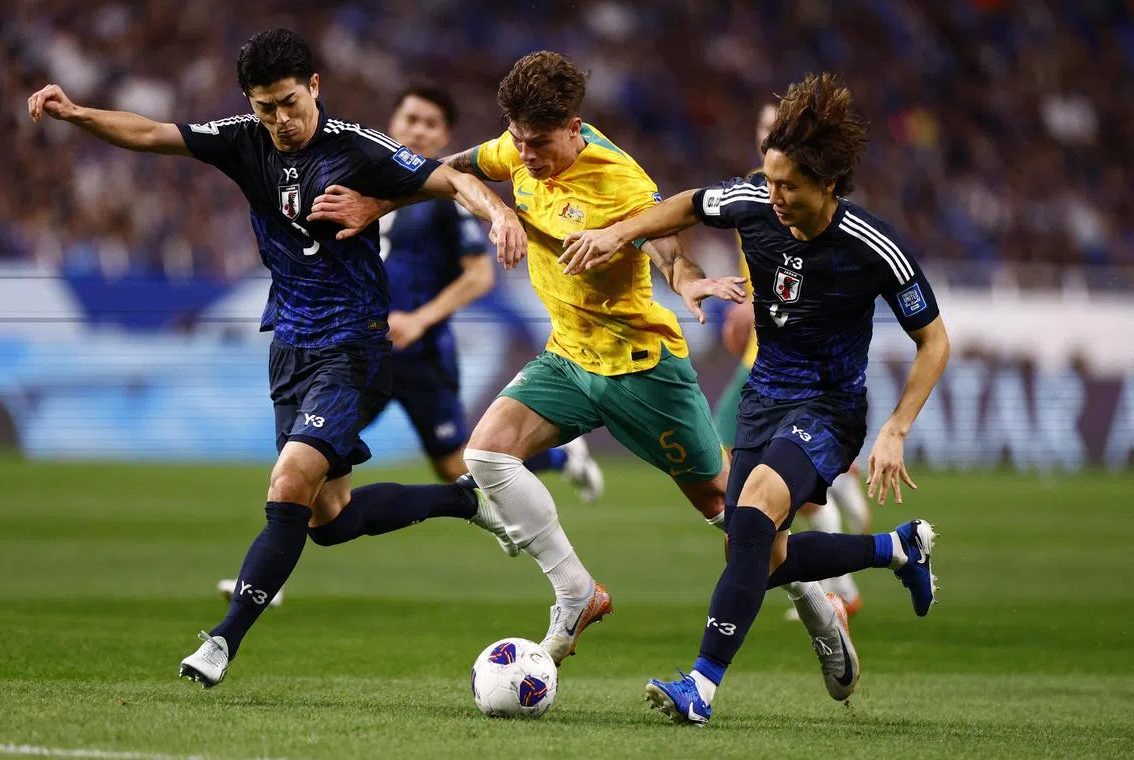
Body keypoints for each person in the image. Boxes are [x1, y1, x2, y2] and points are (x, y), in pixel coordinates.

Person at [312, 52, 864, 705]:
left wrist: (686, 279)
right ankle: (576, 593)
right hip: (569, 356)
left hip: (641, 368)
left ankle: (821, 611)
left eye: (540, 143)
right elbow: (453, 170)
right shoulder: (516, 146)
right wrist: (387, 201)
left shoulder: (618, 180)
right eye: (518, 139)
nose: (527, 155)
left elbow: (664, 233)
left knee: (738, 519)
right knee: (486, 451)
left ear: (574, 127)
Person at [28, 28, 529, 689]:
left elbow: (446, 177)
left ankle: (220, 641)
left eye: (290, 103)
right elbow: (154, 135)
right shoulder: (244, 139)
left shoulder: (356, 148)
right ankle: (464, 503)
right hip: (289, 346)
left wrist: (497, 214)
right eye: (266, 107)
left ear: (314, 86)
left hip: (352, 345)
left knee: (288, 482)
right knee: (330, 520)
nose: (281, 120)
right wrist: (78, 114)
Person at [562, 72, 950, 725]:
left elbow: (933, 341)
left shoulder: (873, 247)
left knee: (748, 522)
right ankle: (898, 549)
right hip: (763, 399)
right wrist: (619, 235)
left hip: (827, 409)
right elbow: (687, 203)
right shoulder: (751, 200)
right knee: (758, 559)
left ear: (829, 186)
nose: (772, 196)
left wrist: (897, 429)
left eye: (788, 186)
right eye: (768, 180)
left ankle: (700, 688)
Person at [315, 84, 603, 495]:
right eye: (411, 119)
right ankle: (310, 520)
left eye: (430, 124)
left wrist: (419, 319)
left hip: (422, 356)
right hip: (362, 350)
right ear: (392, 123)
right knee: (318, 446)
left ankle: (561, 456)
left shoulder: (446, 197)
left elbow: (480, 275)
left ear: (444, 138)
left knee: (457, 467)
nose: (418, 131)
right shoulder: (360, 187)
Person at [714, 101, 869, 619]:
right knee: (756, 480)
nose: (766, 139)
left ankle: (839, 586)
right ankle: (838, 488)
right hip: (760, 360)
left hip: (786, 370)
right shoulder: (755, 197)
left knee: (764, 485)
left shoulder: (805, 205)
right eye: (762, 129)